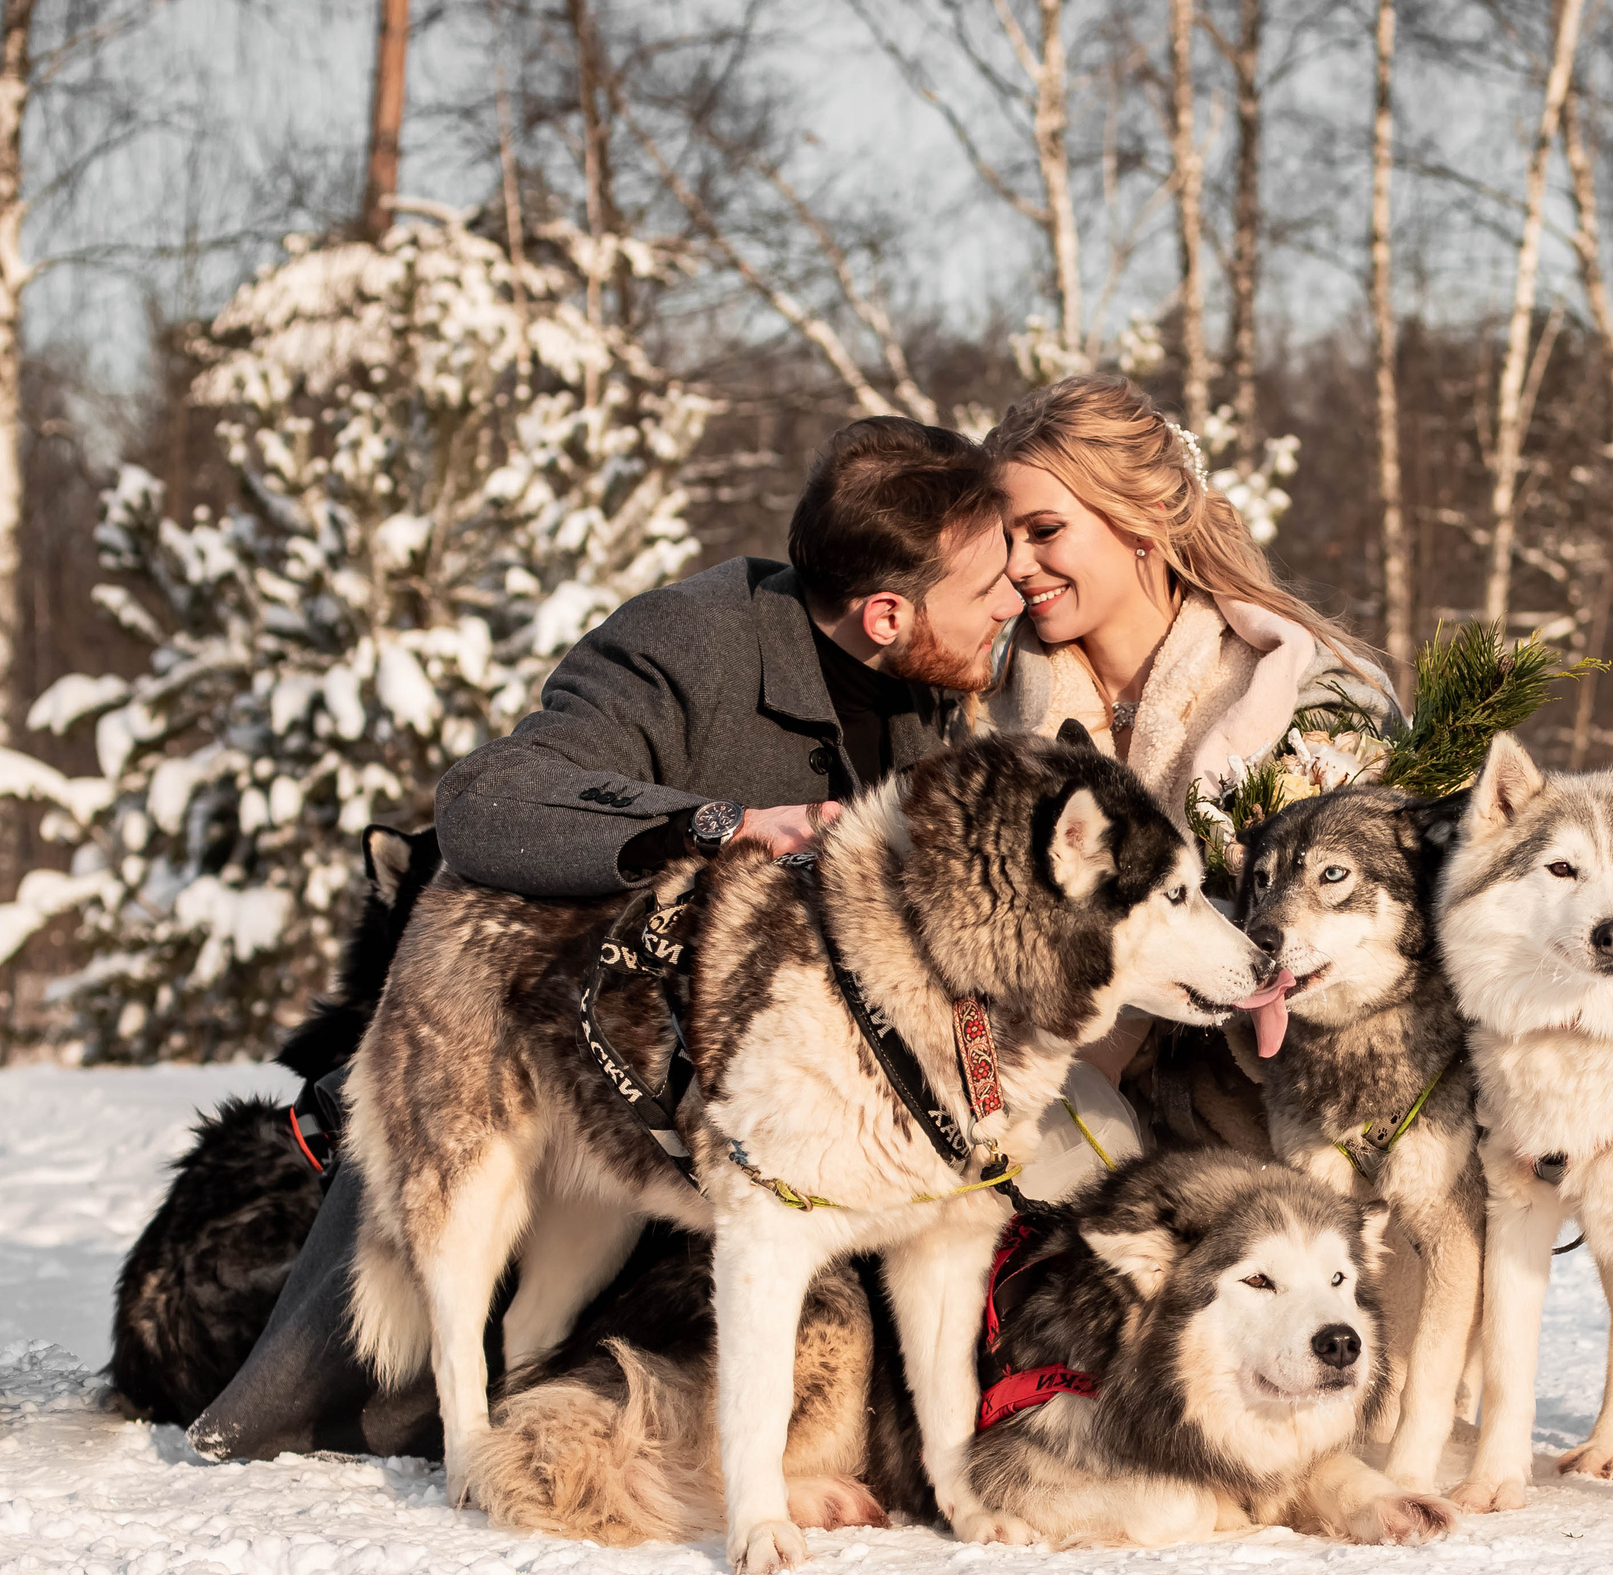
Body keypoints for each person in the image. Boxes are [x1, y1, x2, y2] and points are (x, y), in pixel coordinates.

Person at [186, 417, 1022, 1463]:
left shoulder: (934, 678)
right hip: (555, 1065)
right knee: (409, 1351)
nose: (1015, 598)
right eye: (990, 583)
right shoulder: (686, 644)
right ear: (889, 611)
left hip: (762, 1116)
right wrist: (720, 823)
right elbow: (489, 800)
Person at [981, 373, 1398, 822]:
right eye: (1005, 541)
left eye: (1045, 531)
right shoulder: (980, 718)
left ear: (1144, 518)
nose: (1015, 566)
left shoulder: (1307, 695)